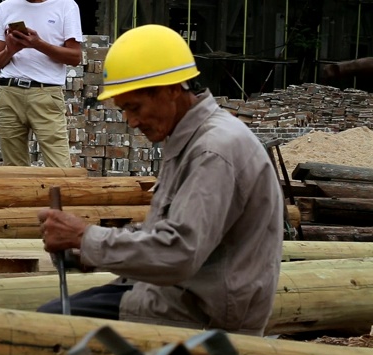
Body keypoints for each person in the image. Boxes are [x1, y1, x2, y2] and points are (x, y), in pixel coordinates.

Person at [37, 25, 284, 336]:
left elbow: (178, 252)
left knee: (49, 331)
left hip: (200, 315)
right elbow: (165, 233)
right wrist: (82, 251)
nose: (131, 121)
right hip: (171, 294)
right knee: (50, 319)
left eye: (135, 107)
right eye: (124, 109)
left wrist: (87, 238)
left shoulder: (213, 150)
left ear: (171, 90)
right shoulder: (188, 138)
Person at [0, 0, 83, 167]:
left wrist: (37, 44)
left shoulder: (66, 5)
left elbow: (75, 57)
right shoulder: (6, 6)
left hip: (45, 93)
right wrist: (10, 50)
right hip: (9, 92)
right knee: (14, 170)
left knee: (59, 168)